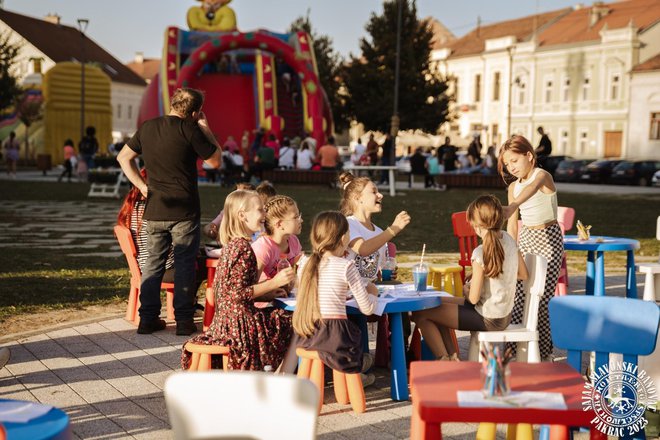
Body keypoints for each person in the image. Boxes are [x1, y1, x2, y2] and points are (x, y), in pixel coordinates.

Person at [117, 87, 221, 336]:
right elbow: (216, 160)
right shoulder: (190, 129)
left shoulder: (148, 127)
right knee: (186, 263)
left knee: (153, 264)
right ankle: (184, 321)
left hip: (155, 208)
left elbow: (123, 157)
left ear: (172, 103)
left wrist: (142, 186)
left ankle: (148, 319)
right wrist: (206, 128)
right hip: (185, 209)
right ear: (195, 112)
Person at [180, 190, 295, 370]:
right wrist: (274, 282)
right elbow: (237, 295)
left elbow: (230, 292)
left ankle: (279, 372)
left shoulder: (234, 244)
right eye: (259, 210)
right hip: (238, 325)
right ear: (242, 215)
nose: (264, 215)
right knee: (292, 320)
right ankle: (284, 374)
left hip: (225, 320)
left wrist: (267, 295)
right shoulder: (242, 248)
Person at [412, 195, 528, 360]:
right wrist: (487, 273)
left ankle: (445, 361)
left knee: (421, 314)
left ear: (476, 223)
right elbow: (523, 274)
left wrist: (467, 288)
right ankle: (452, 358)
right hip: (502, 315)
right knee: (437, 301)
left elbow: (472, 299)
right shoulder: (508, 239)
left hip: (487, 318)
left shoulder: (480, 252)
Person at [293, 211, 379, 383]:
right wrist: (373, 293)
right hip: (335, 339)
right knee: (358, 340)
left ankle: (352, 372)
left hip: (306, 334)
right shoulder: (346, 266)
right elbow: (367, 309)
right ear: (343, 239)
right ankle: (355, 372)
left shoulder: (304, 264)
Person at [499, 135, 563, 361]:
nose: (511, 167)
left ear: (529, 156)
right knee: (519, 295)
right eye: (507, 164)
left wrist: (513, 204)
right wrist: (510, 249)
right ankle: (516, 349)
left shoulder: (542, 176)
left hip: (548, 238)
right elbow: (512, 225)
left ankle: (544, 352)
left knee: (541, 297)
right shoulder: (513, 187)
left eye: (514, 160)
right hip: (526, 238)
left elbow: (533, 189)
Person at [117, 169, 206, 304]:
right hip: (160, 271)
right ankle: (187, 304)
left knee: (197, 258)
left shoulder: (132, 208)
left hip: (141, 268)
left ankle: (189, 302)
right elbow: (168, 251)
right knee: (204, 265)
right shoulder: (153, 212)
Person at [339, 171, 410, 286]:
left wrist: (385, 274)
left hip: (370, 293)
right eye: (374, 192)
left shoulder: (379, 232)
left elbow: (376, 273)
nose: (380, 195)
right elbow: (363, 249)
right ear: (357, 198)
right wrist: (393, 229)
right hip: (349, 293)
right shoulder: (347, 224)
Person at [252, 195, 303, 290]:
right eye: (296, 217)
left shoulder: (294, 241)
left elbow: (294, 275)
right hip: (264, 302)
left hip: (285, 298)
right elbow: (250, 289)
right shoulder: (264, 247)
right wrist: (274, 285)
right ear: (279, 224)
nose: (301, 220)